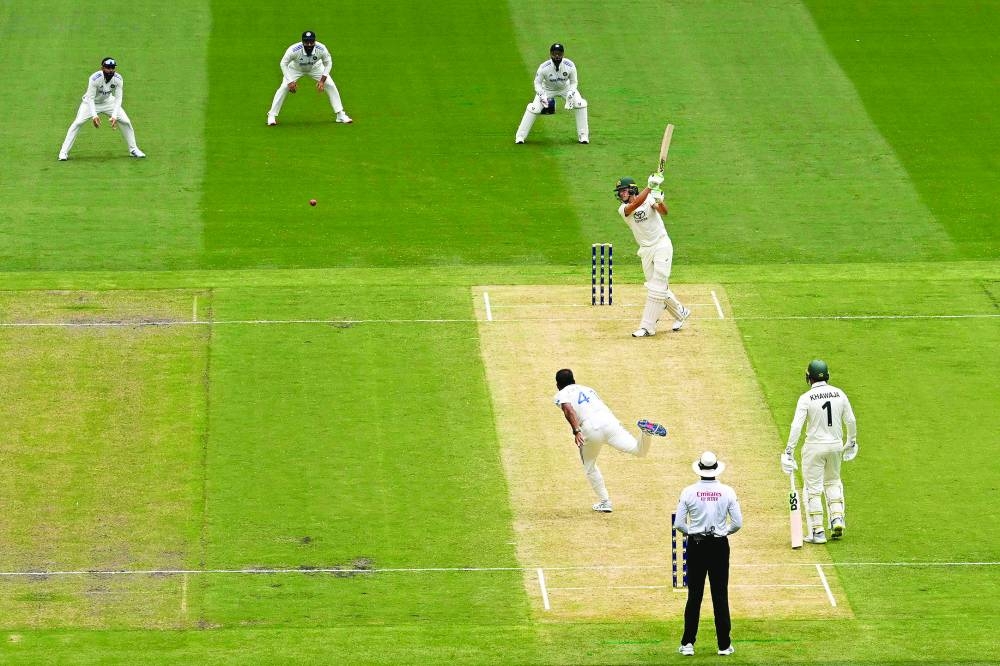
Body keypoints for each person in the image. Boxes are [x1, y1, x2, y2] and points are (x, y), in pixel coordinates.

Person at [553, 368, 667, 512]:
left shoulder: (561, 394)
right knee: (639, 451)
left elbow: (568, 410)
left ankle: (605, 502)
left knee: (589, 466)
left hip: (590, 428)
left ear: (558, 385)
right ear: (574, 380)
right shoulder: (588, 389)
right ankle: (646, 433)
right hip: (610, 421)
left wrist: (576, 430)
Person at [780, 359, 858, 543]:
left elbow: (796, 427)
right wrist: (851, 442)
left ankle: (818, 532)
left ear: (808, 378)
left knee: (813, 489)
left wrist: (789, 451)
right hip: (836, 445)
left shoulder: (806, 398)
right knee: (832, 482)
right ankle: (837, 518)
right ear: (827, 376)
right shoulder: (839, 394)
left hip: (814, 447)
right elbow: (851, 421)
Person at [674, 451, 742, 657]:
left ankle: (687, 643)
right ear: (715, 469)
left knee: (694, 595)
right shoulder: (728, 492)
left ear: (700, 469)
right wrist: (722, 533)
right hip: (719, 546)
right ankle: (723, 645)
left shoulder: (688, 492)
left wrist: (693, 532)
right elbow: (737, 523)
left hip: (696, 544)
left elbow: (678, 524)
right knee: (720, 595)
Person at [613, 175, 690, 337]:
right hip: (646, 250)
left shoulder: (648, 198)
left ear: (633, 189)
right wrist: (649, 187)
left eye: (624, 191)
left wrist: (659, 201)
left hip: (662, 244)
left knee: (658, 285)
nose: (621, 194)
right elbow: (635, 204)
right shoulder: (623, 209)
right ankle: (681, 312)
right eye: (620, 192)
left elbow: (664, 212)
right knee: (657, 287)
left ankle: (647, 327)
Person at [58, 57, 145, 161]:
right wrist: (94, 116)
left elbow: (118, 98)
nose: (110, 70)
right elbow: (90, 98)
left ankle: (133, 149)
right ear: (102, 68)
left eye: (112, 68)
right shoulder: (94, 78)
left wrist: (114, 116)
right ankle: (63, 152)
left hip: (108, 102)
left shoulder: (118, 79)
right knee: (77, 123)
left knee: (126, 121)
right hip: (90, 103)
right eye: (108, 68)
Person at [267, 31, 352, 126]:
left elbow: (328, 63)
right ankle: (271, 115)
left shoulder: (321, 48)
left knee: (330, 85)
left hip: (316, 68)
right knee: (284, 87)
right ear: (302, 42)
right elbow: (283, 63)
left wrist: (322, 81)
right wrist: (290, 81)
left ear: (315, 41)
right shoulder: (294, 50)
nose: (309, 44)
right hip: (295, 69)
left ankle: (340, 114)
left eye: (311, 42)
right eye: (306, 42)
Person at [515, 43, 589, 144]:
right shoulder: (544, 67)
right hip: (547, 90)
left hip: (565, 88)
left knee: (580, 104)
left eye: (559, 54)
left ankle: (583, 136)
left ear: (563, 54)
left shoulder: (570, 65)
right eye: (554, 54)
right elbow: (537, 83)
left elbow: (574, 82)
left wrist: (571, 93)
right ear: (551, 54)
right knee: (534, 109)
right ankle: (520, 137)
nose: (557, 56)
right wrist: (541, 94)